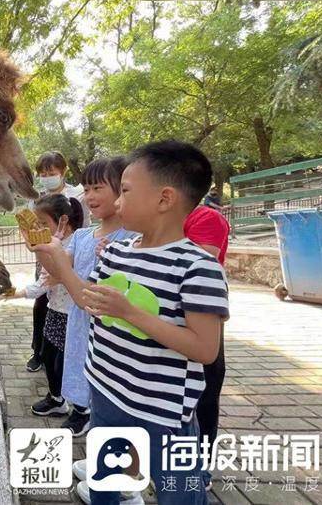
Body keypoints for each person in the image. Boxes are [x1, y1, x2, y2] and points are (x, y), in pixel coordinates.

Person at [29, 140, 229, 505]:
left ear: (164, 199)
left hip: (163, 412)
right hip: (106, 394)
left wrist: (133, 313)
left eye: (124, 191)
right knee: (104, 487)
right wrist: (57, 260)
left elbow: (204, 348)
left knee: (179, 494)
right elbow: (91, 301)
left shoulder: (199, 267)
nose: (116, 202)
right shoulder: (118, 251)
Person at [60, 156, 137, 437]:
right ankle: (81, 412)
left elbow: (99, 295)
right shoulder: (82, 235)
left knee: (105, 379)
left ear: (122, 190)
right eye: (86, 189)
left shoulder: (132, 238)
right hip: (80, 321)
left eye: (97, 188)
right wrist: (45, 247)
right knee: (78, 361)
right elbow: (60, 268)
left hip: (109, 326)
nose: (89, 196)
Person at [8, 194, 85, 416]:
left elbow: (64, 272)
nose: (39, 228)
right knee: (48, 357)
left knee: (68, 363)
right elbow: (44, 281)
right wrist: (14, 294)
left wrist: (43, 253)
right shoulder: (52, 244)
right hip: (54, 311)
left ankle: (82, 409)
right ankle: (56, 399)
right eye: (36, 223)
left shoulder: (78, 242)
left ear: (62, 221)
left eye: (43, 223)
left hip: (73, 314)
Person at [25, 151, 88, 373]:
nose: (46, 177)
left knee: (62, 299)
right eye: (42, 173)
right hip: (44, 255)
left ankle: (66, 352)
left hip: (70, 253)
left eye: (50, 173)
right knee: (42, 300)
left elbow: (84, 226)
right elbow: (33, 228)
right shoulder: (35, 198)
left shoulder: (78, 195)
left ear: (63, 172)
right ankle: (39, 351)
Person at [184, 203, 230, 492]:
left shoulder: (206, 217)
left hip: (199, 314)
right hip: (166, 321)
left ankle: (199, 467)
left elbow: (200, 265)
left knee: (204, 389)